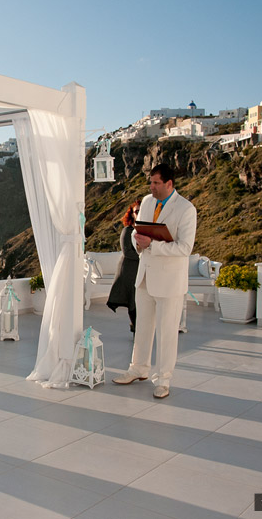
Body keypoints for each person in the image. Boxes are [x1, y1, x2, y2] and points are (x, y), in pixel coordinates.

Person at [112, 163, 196, 399]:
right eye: (151, 182)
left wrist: (154, 245)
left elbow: (185, 248)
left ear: (170, 183)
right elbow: (138, 232)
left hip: (169, 281)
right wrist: (138, 242)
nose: (152, 187)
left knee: (167, 333)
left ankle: (163, 380)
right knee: (143, 328)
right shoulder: (147, 202)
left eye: (156, 183)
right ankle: (138, 369)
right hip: (145, 276)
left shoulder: (186, 209)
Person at [106, 201, 141, 333]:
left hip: (140, 269)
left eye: (141, 211)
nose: (139, 213)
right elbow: (127, 251)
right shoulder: (128, 230)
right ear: (131, 214)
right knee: (132, 299)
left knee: (139, 299)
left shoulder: (146, 230)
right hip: (128, 270)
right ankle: (135, 327)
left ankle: (137, 327)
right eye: (137, 211)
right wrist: (146, 256)